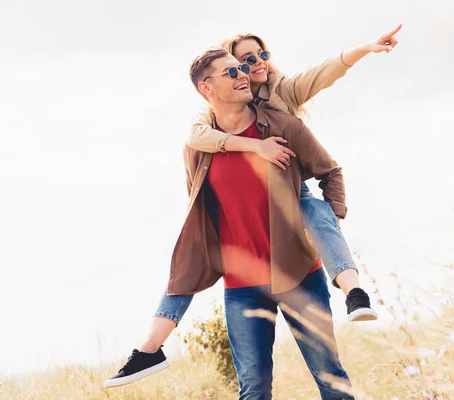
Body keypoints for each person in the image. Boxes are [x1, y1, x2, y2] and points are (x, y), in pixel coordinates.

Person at [104, 25, 401, 389]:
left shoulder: (282, 121)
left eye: (251, 64)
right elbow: (201, 201)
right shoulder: (200, 142)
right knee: (254, 388)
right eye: (235, 68)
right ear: (207, 88)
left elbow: (329, 159)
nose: (248, 71)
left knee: (331, 379)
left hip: (298, 274)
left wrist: (329, 222)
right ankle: (148, 349)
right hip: (242, 284)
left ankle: (353, 290)